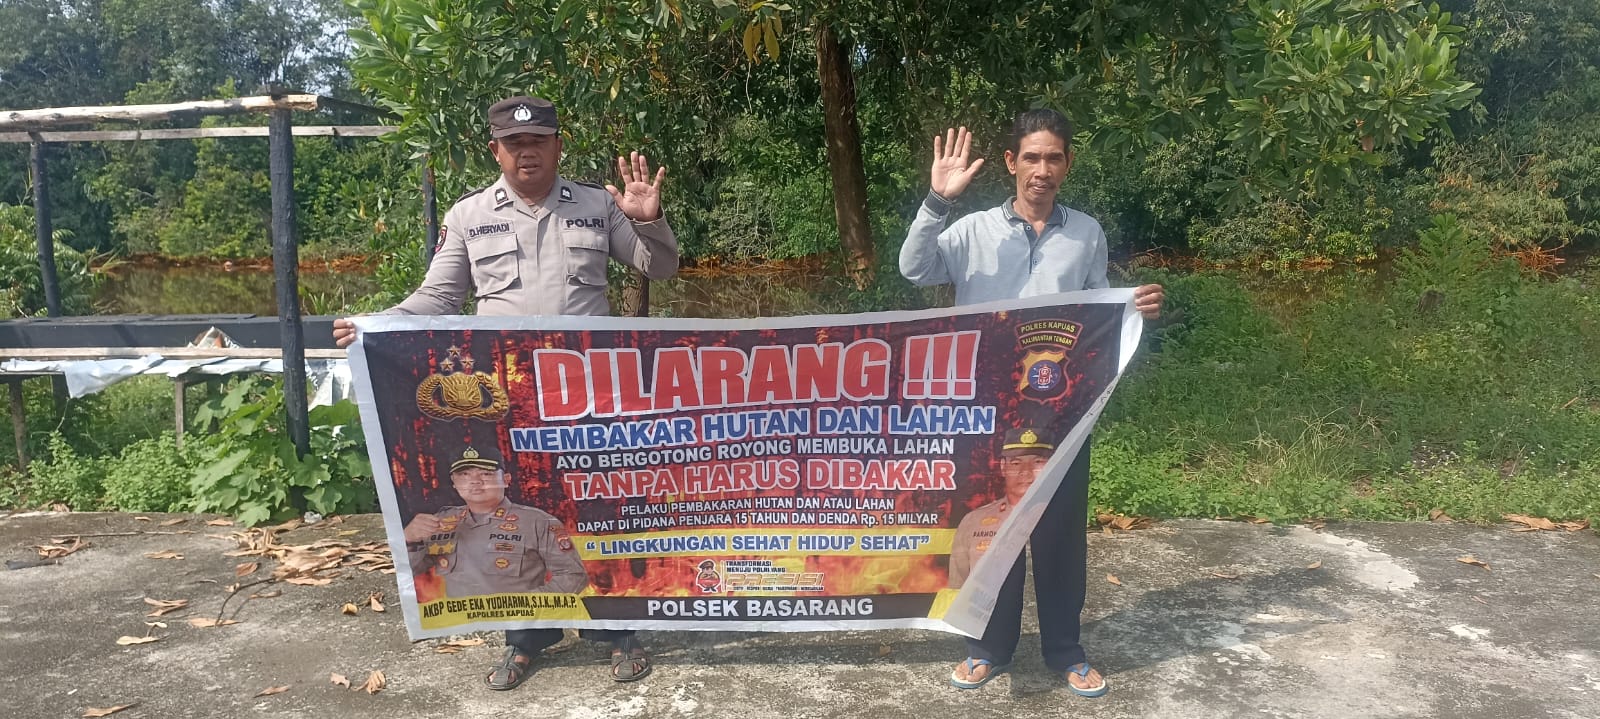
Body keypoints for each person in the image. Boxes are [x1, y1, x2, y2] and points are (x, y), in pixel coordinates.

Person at [336, 94, 673, 690]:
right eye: (514, 143)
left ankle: (617, 630)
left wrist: (647, 220)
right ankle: (526, 637)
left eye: (538, 140)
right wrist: (378, 324)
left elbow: (660, 268)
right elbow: (438, 297)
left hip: (588, 397)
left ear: (557, 145)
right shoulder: (469, 215)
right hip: (507, 403)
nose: (527, 152)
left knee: (601, 511)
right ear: (495, 150)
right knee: (514, 518)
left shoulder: (597, 205)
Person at [900, 110, 1164, 697]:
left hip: (1063, 410)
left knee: (1059, 532)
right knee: (992, 529)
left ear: (1067, 164)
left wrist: (1131, 309)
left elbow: (1096, 310)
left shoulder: (1086, 233)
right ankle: (988, 648)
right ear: (1010, 163)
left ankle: (1065, 649)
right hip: (986, 411)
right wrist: (938, 201)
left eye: (1053, 158)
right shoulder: (971, 231)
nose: (1041, 169)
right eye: (1031, 157)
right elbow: (913, 270)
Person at [406, 446, 589, 598]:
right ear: (454, 482)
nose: (475, 481)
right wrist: (409, 540)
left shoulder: (537, 521)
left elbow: (573, 576)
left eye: (486, 473)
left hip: (520, 625)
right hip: (461, 625)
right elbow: (408, 572)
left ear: (506, 480)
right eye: (464, 474)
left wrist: (527, 607)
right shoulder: (440, 521)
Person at [947, 428, 1053, 590]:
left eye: (1037, 462)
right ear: (1003, 467)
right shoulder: (973, 521)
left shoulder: (1061, 519)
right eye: (1016, 463)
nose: (1026, 472)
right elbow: (958, 587)